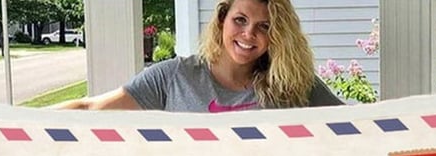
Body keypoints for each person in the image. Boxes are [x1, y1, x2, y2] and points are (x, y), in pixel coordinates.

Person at [61, 0, 343, 112]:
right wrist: (33, 124)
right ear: (222, 20)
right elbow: (90, 108)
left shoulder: (294, 84)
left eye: (264, 27)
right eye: (240, 20)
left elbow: (356, 125)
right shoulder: (173, 76)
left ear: (278, 35)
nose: (248, 34)